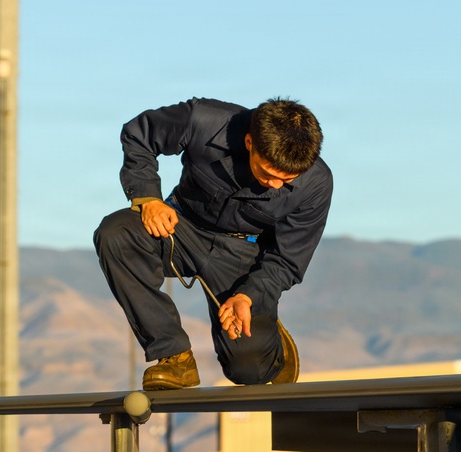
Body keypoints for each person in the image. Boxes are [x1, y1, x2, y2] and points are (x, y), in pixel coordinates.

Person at [94, 97, 333, 390]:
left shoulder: (318, 184)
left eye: (286, 180)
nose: (274, 185)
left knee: (250, 373)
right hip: (179, 228)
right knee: (115, 233)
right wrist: (148, 198)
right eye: (268, 174)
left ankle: (270, 345)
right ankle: (174, 356)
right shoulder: (202, 120)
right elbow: (139, 134)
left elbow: (287, 260)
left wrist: (249, 296)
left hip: (243, 255)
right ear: (249, 142)